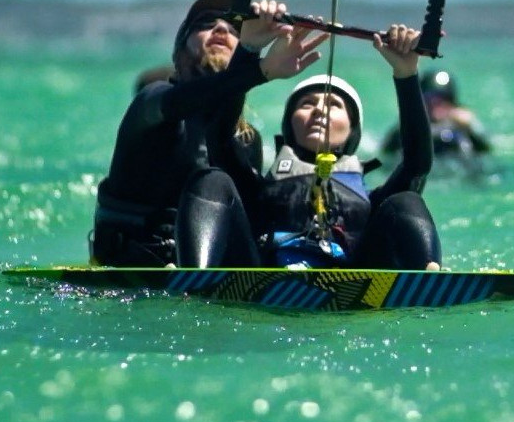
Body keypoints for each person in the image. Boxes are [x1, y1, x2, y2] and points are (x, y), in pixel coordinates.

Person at [89, 0, 328, 267]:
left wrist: (250, 53)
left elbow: (221, 136)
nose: (221, 28)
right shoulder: (151, 105)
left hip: (217, 275)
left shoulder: (247, 140)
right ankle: (193, 281)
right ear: (179, 52)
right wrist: (256, 66)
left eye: (235, 29)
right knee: (212, 180)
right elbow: (184, 102)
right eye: (205, 24)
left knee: (221, 184)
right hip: (135, 263)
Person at [186, 24, 443, 271]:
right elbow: (219, 135)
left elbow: (416, 165)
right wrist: (250, 50)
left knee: (406, 200)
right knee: (212, 179)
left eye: (334, 105)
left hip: (359, 279)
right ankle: (193, 274)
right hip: (260, 273)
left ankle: (427, 276)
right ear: (289, 123)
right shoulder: (256, 190)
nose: (319, 110)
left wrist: (406, 74)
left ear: (353, 130)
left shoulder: (375, 203)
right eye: (307, 104)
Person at [382, 69, 491, 162]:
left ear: (453, 103)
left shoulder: (464, 127)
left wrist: (470, 126)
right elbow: (386, 151)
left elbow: (486, 150)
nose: (435, 105)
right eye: (429, 99)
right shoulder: (410, 128)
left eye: (442, 99)